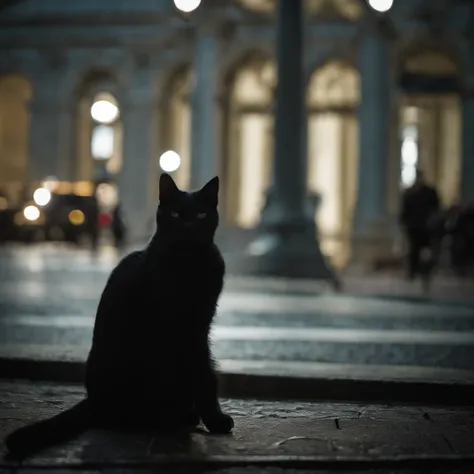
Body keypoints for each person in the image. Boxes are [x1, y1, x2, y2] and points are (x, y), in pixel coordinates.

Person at [399, 170, 441, 280]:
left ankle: (425, 271)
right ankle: (414, 271)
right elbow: (405, 210)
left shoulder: (428, 193)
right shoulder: (411, 193)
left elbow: (435, 208)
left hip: (426, 226)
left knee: (425, 250)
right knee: (415, 250)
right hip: (415, 227)